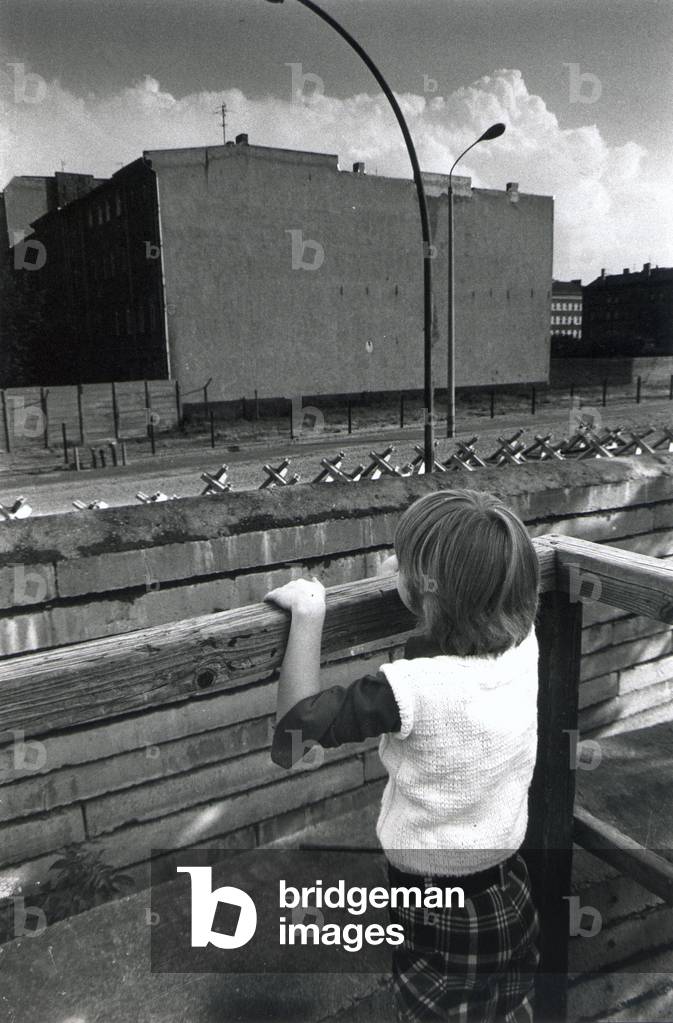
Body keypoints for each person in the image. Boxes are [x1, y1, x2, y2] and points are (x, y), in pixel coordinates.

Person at [266, 489, 541, 1022]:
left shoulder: (407, 691)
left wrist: (309, 612)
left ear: (426, 592)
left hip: (438, 912)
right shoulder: (523, 641)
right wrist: (413, 574)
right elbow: (474, 599)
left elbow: (294, 736)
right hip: (511, 891)